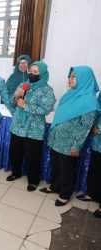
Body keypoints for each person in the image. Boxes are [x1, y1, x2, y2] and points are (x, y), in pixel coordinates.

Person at [40, 66, 100, 206]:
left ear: (84, 79)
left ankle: (65, 194)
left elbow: (85, 128)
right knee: (56, 165)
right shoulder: (70, 95)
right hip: (57, 139)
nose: (70, 79)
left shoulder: (90, 101)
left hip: (69, 143)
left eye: (74, 76)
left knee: (67, 169)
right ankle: (55, 186)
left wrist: (75, 146)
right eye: (69, 76)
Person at [6, 61, 56, 192]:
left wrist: (25, 106)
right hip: (18, 125)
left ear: (43, 74)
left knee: (32, 157)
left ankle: (33, 180)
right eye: (30, 71)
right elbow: (12, 102)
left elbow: (46, 109)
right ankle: (16, 173)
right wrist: (16, 96)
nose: (32, 74)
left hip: (33, 129)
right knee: (15, 152)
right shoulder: (24, 85)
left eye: (35, 72)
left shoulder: (47, 90)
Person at [76, 92, 101, 218]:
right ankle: (92, 193)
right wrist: (92, 125)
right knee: (95, 168)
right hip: (97, 140)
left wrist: (99, 127)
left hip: (98, 131)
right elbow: (97, 110)